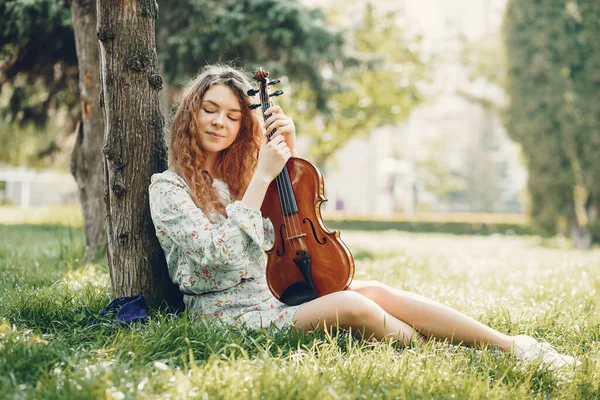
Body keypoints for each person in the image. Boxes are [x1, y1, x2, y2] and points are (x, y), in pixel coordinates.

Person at [148, 65, 579, 369]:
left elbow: (287, 226)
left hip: (270, 298)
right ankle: (459, 355)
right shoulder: (168, 189)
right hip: (229, 317)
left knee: (375, 290)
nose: (220, 122)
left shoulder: (236, 180)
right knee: (353, 304)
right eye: (210, 109)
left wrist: (287, 157)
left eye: (233, 115)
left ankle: (513, 347)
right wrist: (262, 175)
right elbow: (214, 259)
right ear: (192, 112)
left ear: (245, 124)